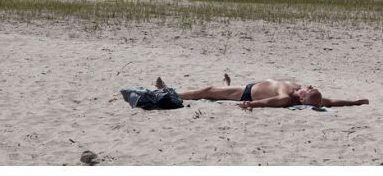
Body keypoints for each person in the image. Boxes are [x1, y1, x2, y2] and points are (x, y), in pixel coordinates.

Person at [154, 75, 368, 110]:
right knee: (214, 90)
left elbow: (273, 101)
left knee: (208, 92)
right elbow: (330, 101)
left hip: (246, 93)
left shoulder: (287, 95)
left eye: (309, 89)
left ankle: (169, 91)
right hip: (250, 86)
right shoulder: (303, 95)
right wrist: (354, 102)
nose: (309, 85)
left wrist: (251, 104)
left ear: (301, 98)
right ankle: (226, 82)